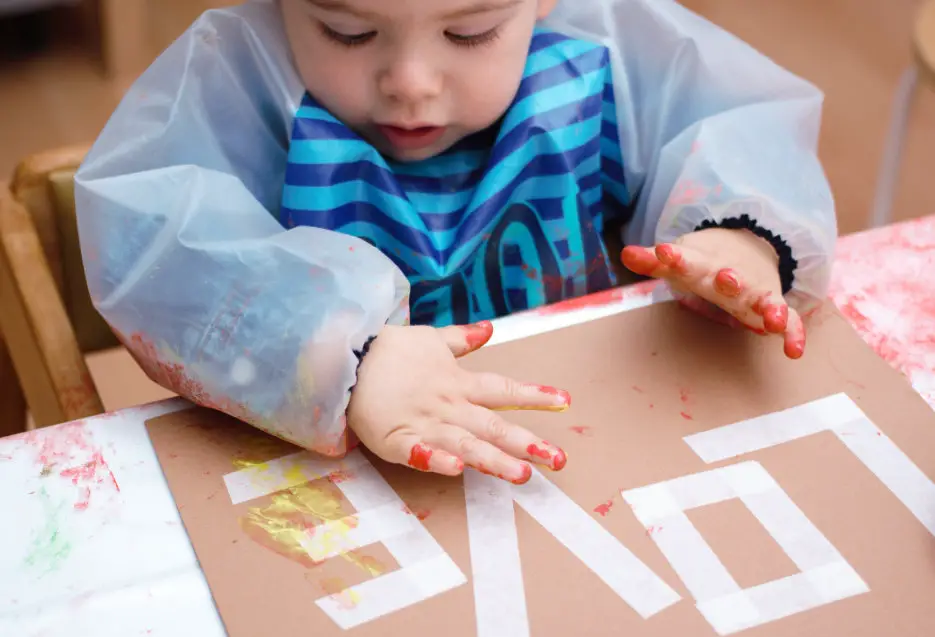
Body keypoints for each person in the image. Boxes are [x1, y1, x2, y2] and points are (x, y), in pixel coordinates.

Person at [74, 0, 836, 484]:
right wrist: (346, 353)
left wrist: (738, 235)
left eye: (470, 31)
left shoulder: (597, 44)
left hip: (582, 436)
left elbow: (727, 122)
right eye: (347, 29)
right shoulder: (243, 77)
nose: (409, 80)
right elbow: (156, 241)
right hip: (336, 479)